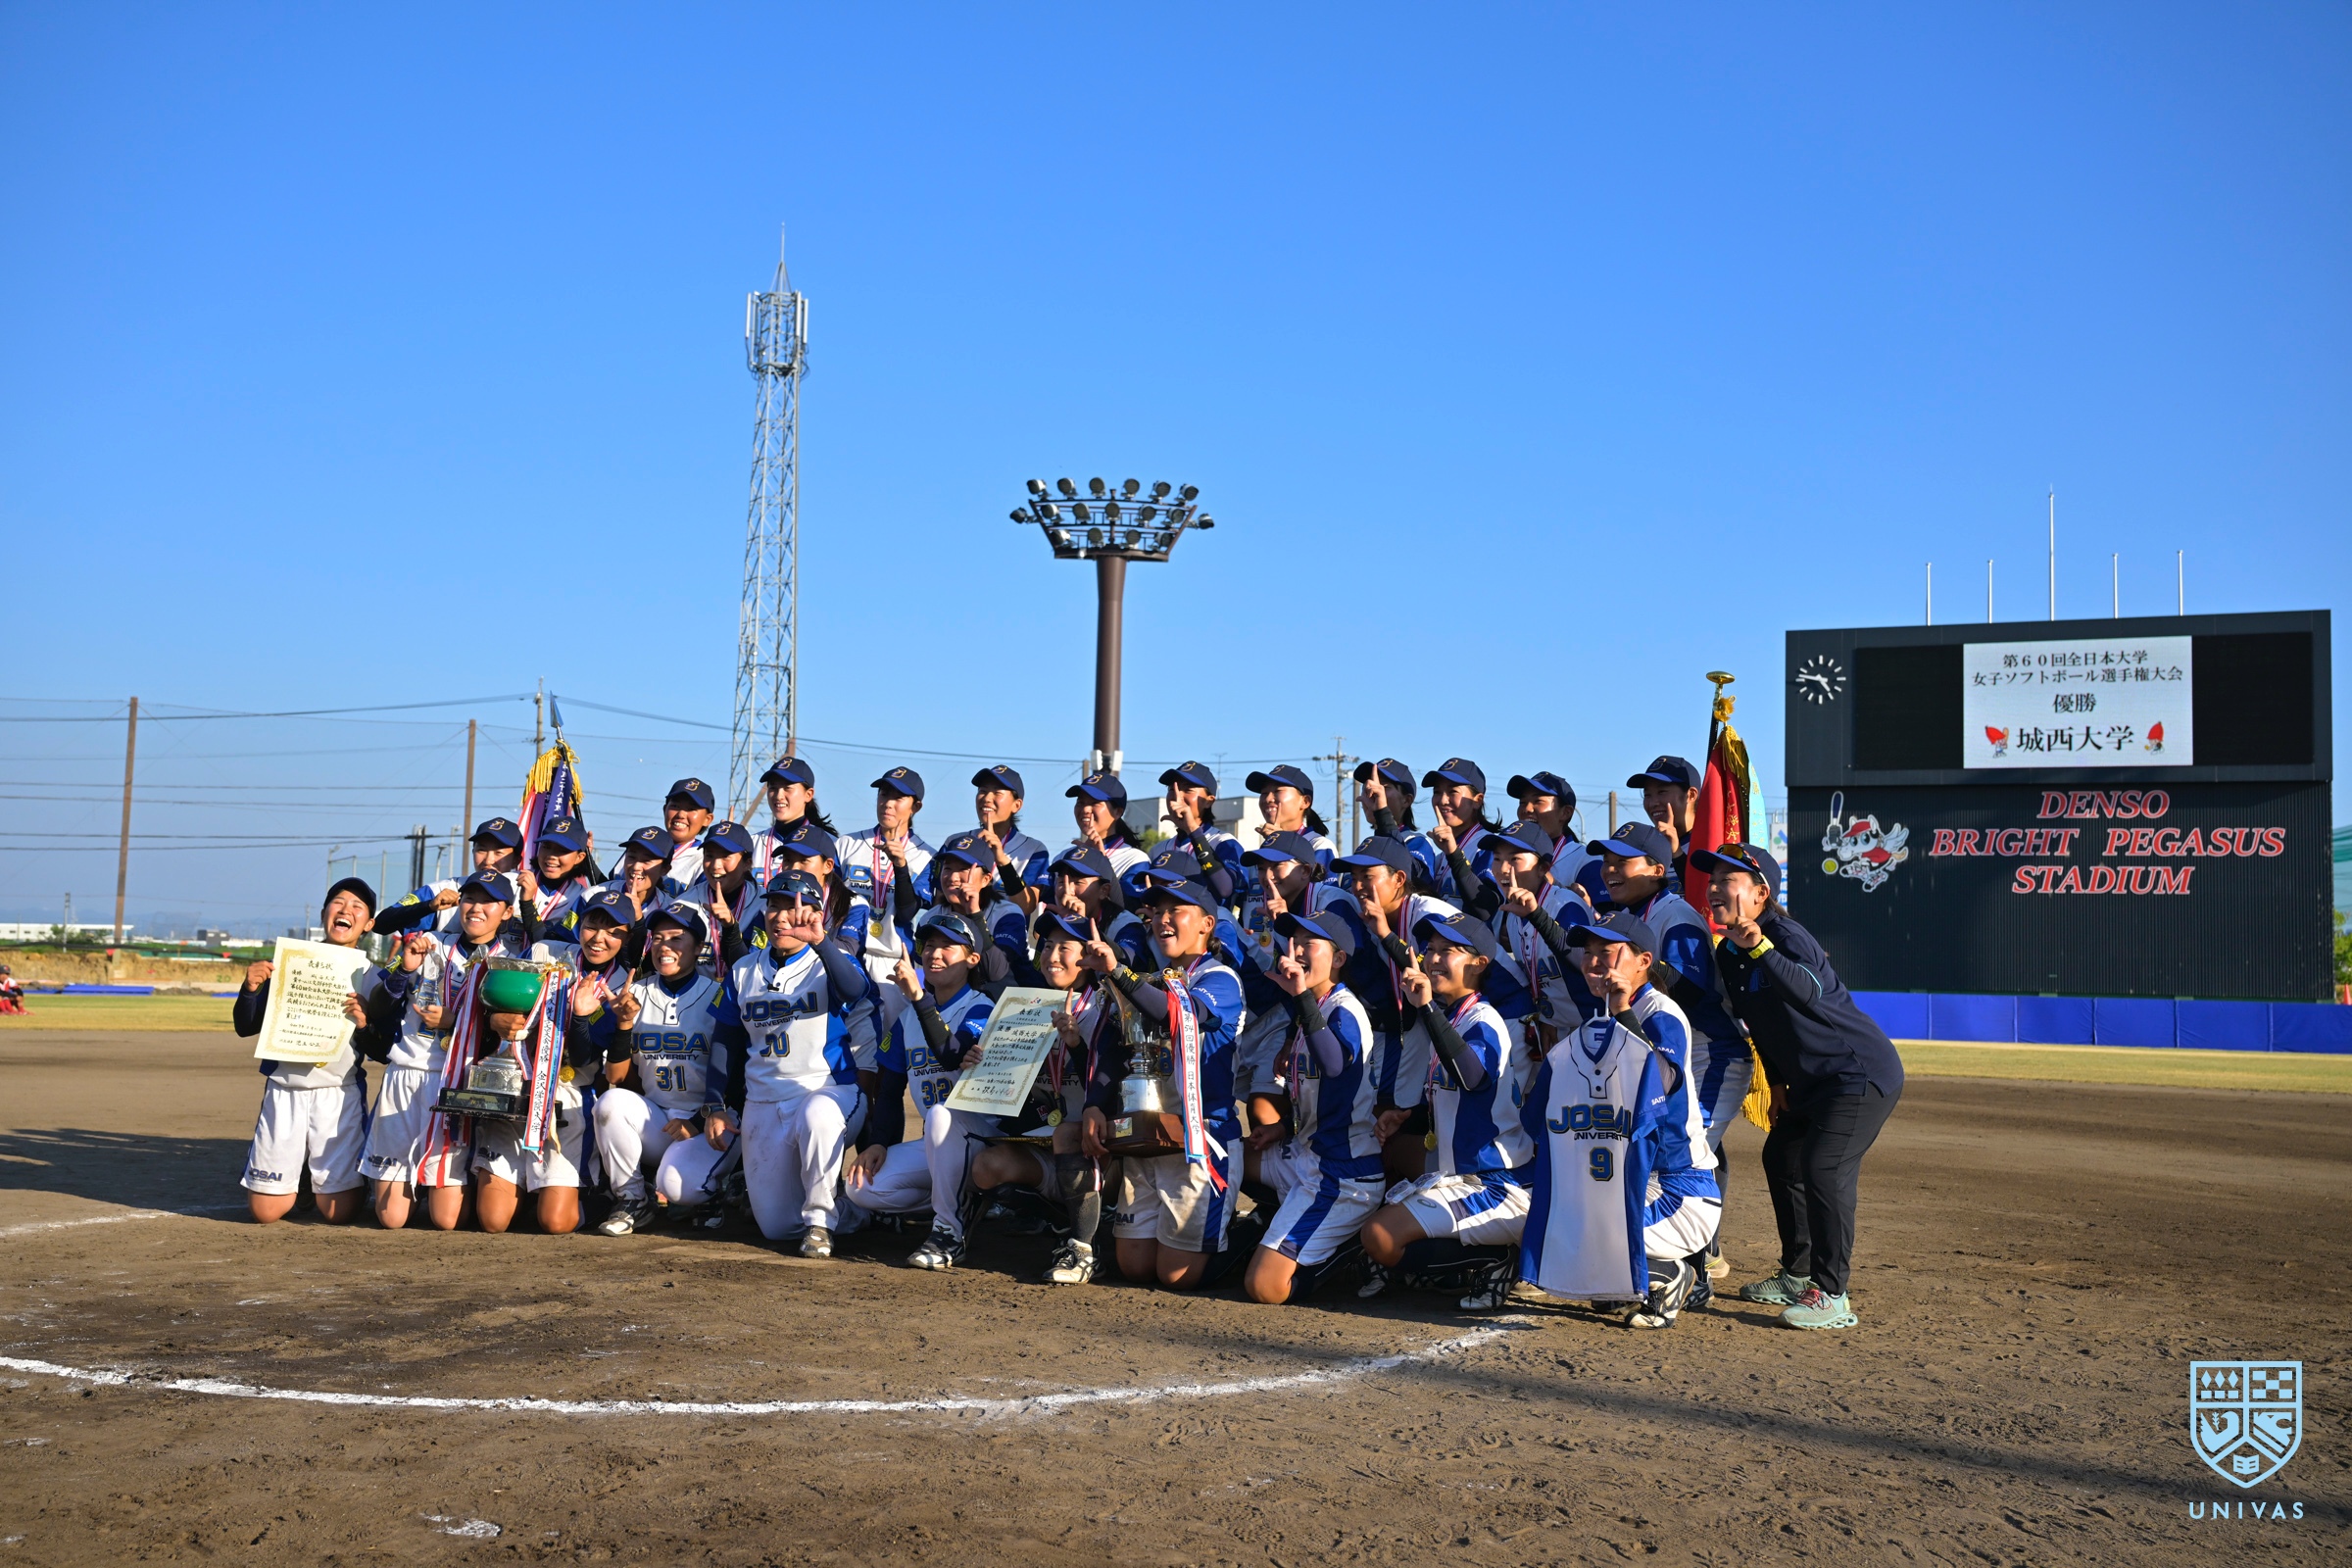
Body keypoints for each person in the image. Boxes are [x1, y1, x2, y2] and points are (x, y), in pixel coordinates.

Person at [1697, 843, 1904, 1332]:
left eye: (1727, 879)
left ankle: (1831, 1294)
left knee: (1823, 1168)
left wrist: (1761, 948)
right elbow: (1759, 1021)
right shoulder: (1729, 952)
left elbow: (1810, 993)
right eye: (1713, 879)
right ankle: (1798, 1272)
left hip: (1856, 1073)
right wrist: (1777, 1081)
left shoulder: (1786, 935)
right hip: (1807, 1081)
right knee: (1782, 1158)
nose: (1714, 887)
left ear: (1760, 893)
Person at [1519, 912, 1721, 1330]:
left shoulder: (1658, 1012)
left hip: (1677, 1189)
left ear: (1643, 961)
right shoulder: (1602, 1017)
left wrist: (1624, 1010)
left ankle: (1673, 1274)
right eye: (1588, 952)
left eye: (1607, 952)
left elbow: (1664, 1079)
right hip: (1636, 1182)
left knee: (1585, 1236)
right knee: (1562, 1226)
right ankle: (1632, 1278)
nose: (1593, 962)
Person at [1358, 911, 1538, 1309]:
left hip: (1494, 1182)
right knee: (1387, 1152)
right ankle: (1449, 1259)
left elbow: (1471, 1076)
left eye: (1448, 951)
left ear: (1479, 963)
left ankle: (1495, 1259)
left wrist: (1426, 1008)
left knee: (1379, 1238)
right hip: (1455, 1170)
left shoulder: (1484, 1019)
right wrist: (1407, 1116)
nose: (1434, 958)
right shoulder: (1453, 1015)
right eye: (1431, 950)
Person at [1586, 820, 1749, 1247]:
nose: (1609, 869)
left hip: (1711, 1055)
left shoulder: (1674, 914)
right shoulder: (1633, 916)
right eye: (1606, 861)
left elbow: (1692, 990)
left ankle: (1696, 1258)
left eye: (1622, 861)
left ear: (1658, 870)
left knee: (1683, 1151)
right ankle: (1696, 1250)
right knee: (1682, 1147)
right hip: (1672, 1049)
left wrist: (1637, 964)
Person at [1079, 879, 1246, 1292]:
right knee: (1134, 1268)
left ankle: (1247, 1236)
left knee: (1176, 1275)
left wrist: (1119, 973)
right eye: (1157, 912)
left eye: (1176, 910)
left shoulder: (1220, 977)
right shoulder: (1151, 979)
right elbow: (1116, 1050)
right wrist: (1094, 1104)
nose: (1163, 919)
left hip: (1200, 1139)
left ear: (1207, 924)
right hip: (1148, 1137)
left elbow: (1179, 1013)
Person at [712, 865, 876, 1258]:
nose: (782, 916)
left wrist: (821, 942)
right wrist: (714, 1104)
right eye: (775, 906)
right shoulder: (743, 969)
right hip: (764, 1100)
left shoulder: (832, 957)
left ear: (816, 913)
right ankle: (850, 1212)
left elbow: (855, 989)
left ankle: (821, 1222)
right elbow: (725, 1039)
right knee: (778, 1227)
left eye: (794, 907)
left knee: (818, 1114)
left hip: (830, 1092)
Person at [364, 869, 533, 1230]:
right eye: (470, 898)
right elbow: (378, 1007)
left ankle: (449, 1184)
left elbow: (509, 1035)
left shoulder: (513, 962)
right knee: (391, 1218)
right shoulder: (429, 943)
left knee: (446, 1219)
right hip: (407, 1075)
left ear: (507, 912)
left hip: (459, 1084)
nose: (477, 907)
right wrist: (403, 970)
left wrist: (458, 1021)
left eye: (489, 901)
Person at [1241, 908, 1384, 1304]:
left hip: (1343, 1174)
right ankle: (1282, 1226)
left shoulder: (1343, 1009)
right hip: (1307, 1156)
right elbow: (1320, 1098)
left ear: (1338, 959)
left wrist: (1301, 997)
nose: (1298, 950)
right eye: (1296, 941)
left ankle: (1350, 1249)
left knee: (1265, 1287)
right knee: (1231, 1160)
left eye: (1310, 942)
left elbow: (1335, 1065)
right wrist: (1282, 1127)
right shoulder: (1314, 1007)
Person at [842, 909, 998, 1268]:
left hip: (983, 1141)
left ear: (972, 959)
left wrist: (917, 996)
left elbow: (950, 1055)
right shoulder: (908, 1017)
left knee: (943, 1114)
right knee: (861, 1187)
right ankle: (959, 1202)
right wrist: (880, 1141)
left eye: (947, 947)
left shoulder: (982, 1008)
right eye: (929, 946)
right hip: (937, 1145)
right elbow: (889, 1089)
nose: (934, 954)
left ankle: (948, 1231)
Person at [231, 877, 393, 1224]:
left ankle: (339, 1178)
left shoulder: (374, 978)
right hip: (284, 1091)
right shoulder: (291, 963)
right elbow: (246, 1026)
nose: (346, 910)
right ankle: (302, 1172)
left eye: (357, 906)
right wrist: (250, 989)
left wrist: (365, 1024)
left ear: (369, 924)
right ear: (323, 913)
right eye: (338, 902)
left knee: (338, 1213)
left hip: (338, 1093)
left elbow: (383, 1051)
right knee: (265, 1212)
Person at [967, 912, 1111, 1285]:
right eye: (1047, 946)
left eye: (1065, 947)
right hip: (1051, 1143)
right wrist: (980, 1066)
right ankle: (1062, 1221)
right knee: (986, 1166)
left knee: (1067, 1133)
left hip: (1105, 1149)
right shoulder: (1027, 1009)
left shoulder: (1105, 1006)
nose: (1052, 956)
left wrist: (1076, 1046)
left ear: (1088, 956)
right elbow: (1006, 1092)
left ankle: (1085, 1246)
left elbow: (1113, 1082)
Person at [587, 905, 735, 1237]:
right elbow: (616, 1078)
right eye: (657, 938)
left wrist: (698, 1118)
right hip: (658, 1118)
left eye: (676, 938)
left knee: (683, 1189)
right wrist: (623, 1024)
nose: (663, 946)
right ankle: (632, 1198)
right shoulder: (635, 993)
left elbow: (736, 1073)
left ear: (699, 948)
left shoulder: (718, 995)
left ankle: (711, 1193)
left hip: (712, 1121)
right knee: (610, 1104)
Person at [1330, 835, 1460, 1179]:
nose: (1358, 886)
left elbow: (1442, 975)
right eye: (1353, 877)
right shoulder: (1382, 917)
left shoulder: (1428, 912)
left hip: (1490, 1014)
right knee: (1401, 1108)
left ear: (1399, 879)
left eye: (1367, 876)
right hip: (1430, 1018)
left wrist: (1386, 935)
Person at [372, 817, 524, 936]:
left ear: (516, 860)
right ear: (473, 852)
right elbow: (381, 924)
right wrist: (428, 906)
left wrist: (528, 904)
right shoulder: (445, 890)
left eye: (499, 853)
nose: (488, 860)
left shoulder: (527, 892)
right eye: (481, 850)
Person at [667, 820, 761, 975]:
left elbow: (751, 971)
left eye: (726, 856)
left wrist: (730, 928)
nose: (715, 865)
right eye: (709, 856)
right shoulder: (684, 904)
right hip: (697, 990)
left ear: (747, 863)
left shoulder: (764, 904)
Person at [1159, 760, 1246, 899]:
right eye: (1171, 789)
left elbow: (1225, 890)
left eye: (1188, 790)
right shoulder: (1159, 849)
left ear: (1209, 801)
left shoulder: (1224, 842)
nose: (1177, 796)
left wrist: (1193, 830)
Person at [1421, 758, 1501, 906]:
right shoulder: (1440, 857)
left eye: (1453, 791)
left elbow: (1486, 908)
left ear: (1477, 800)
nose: (1443, 800)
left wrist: (1453, 855)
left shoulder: (1487, 847)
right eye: (1437, 792)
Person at [1355, 760, 1443, 891]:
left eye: (1384, 787)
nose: (1372, 794)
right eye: (1368, 787)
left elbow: (1409, 877)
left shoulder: (1417, 842)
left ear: (1407, 800)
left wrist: (1382, 814)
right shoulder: (1366, 847)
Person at [970, 765, 1052, 904]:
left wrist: (1002, 860)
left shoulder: (1033, 849)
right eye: (983, 791)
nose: (987, 798)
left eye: (997, 792)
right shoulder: (956, 842)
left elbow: (1027, 905)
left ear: (1017, 805)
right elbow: (940, 901)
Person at [750, 756, 837, 885]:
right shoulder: (751, 844)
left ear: (808, 794)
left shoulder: (831, 845)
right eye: (773, 787)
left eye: (787, 788)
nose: (778, 796)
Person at [1063, 770, 1151, 898]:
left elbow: (1129, 907)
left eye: (1095, 803)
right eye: (1080, 802)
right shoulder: (1063, 857)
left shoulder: (1134, 859)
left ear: (1118, 812)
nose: (1085, 809)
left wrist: (1102, 864)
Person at [1506, 771, 1594, 892]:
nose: (1526, 809)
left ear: (1565, 813)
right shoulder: (1503, 855)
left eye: (1538, 801)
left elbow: (1603, 905)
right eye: (1523, 802)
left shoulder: (1584, 860)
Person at [519, 814, 599, 946]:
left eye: (562, 850)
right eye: (546, 846)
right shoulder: (510, 882)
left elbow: (546, 946)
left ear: (579, 857)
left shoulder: (581, 899)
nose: (551, 856)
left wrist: (526, 902)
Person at [1244, 765, 1335, 865]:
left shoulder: (1318, 845)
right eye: (1264, 793)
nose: (1267, 799)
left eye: (1277, 791)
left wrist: (1281, 843)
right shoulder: (1262, 851)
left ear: (1305, 801)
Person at [1627, 756, 1702, 873]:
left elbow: (1701, 885)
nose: (1653, 803)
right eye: (1647, 795)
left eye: (1662, 792)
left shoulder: (1712, 845)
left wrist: (1677, 853)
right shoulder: (1646, 851)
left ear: (1691, 795)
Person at [657, 777, 717, 891]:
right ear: (665, 810)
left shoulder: (704, 861)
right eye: (675, 806)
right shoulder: (638, 848)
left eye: (691, 808)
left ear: (707, 819)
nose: (681, 814)